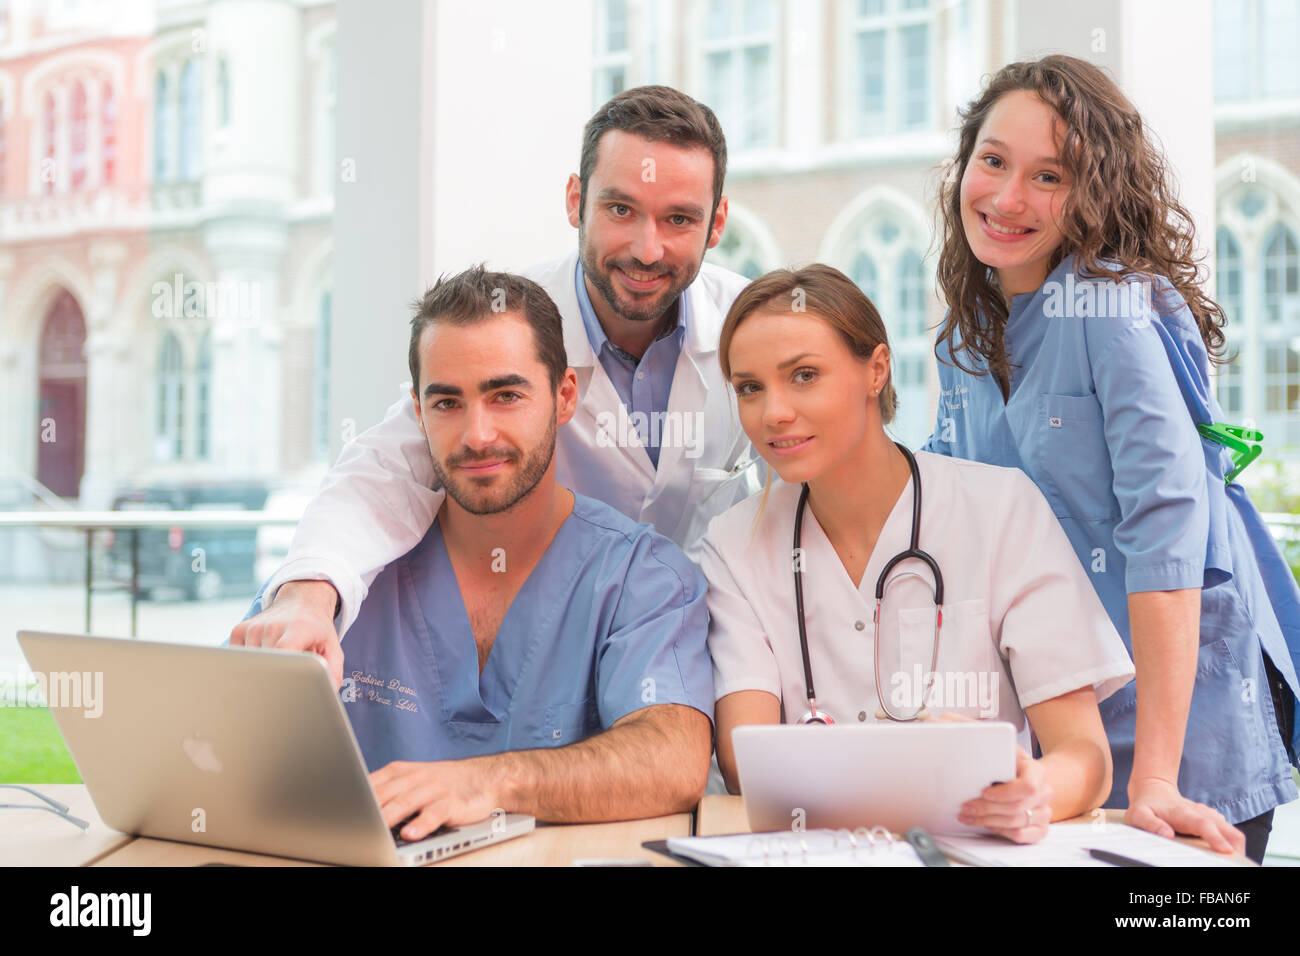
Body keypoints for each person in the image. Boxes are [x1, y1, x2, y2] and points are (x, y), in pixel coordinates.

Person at [230, 85, 757, 677]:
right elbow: (389, 467)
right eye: (619, 209)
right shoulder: (510, 324)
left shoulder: (753, 330)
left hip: (700, 651)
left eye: (679, 218)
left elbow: (818, 473)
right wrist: (307, 593)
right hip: (549, 650)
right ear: (575, 200)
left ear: (716, 224)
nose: (646, 248)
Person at [921, 54, 1300, 863]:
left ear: (1094, 193)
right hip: (1068, 734)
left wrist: (1157, 780)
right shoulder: (963, 343)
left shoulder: (1113, 307)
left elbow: (1168, 537)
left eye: (1049, 175)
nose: (1008, 197)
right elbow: (951, 529)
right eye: (993, 161)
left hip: (1183, 725)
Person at [239, 267, 714, 838]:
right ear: (417, 412)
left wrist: (486, 783)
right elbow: (218, 743)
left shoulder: (641, 579)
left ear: (565, 397)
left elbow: (672, 761)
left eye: (506, 395)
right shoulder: (342, 578)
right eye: (447, 403)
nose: (477, 435)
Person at [702, 264, 1135, 844]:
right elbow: (744, 764)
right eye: (749, 387)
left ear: (875, 369)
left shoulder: (1000, 509)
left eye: (803, 375)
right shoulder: (734, 546)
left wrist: (1036, 790)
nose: (773, 412)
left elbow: (1085, 756)